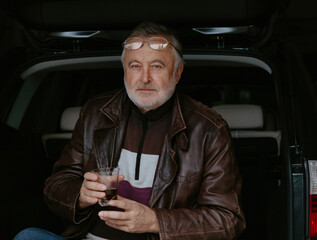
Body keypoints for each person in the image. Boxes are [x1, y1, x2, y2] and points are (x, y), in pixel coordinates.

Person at [14, 21, 245, 240]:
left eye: (157, 66)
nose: (144, 78)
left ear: (177, 72)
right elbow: (55, 186)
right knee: (27, 236)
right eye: (135, 66)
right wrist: (80, 195)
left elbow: (227, 220)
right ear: (125, 71)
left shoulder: (209, 130)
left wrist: (155, 221)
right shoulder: (96, 113)